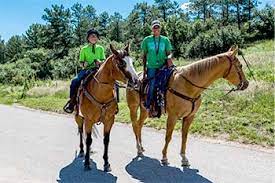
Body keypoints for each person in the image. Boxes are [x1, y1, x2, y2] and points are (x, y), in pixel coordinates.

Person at [64, 29, 106, 113]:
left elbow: (104, 60)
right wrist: (84, 64)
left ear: (97, 38)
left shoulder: (100, 48)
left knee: (114, 83)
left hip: (99, 69)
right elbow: (81, 62)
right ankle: (72, 102)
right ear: (88, 38)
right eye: (91, 36)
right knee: (75, 81)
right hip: (87, 69)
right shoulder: (84, 49)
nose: (94, 38)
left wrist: (100, 62)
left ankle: (115, 104)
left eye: (95, 36)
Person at [141, 20, 173, 114]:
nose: (156, 29)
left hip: (163, 66)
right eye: (154, 28)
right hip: (151, 66)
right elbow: (144, 55)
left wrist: (169, 57)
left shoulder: (165, 40)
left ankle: (164, 104)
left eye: (157, 27)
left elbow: (169, 52)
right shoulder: (146, 40)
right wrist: (144, 70)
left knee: (167, 84)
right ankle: (148, 105)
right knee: (152, 85)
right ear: (152, 29)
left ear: (160, 29)